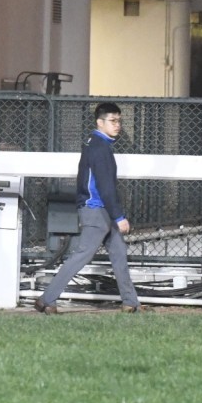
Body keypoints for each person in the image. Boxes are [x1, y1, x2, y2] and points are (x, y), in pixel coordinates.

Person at [35, 102, 141, 314]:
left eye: (119, 120)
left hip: (100, 209)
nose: (117, 125)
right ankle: (46, 299)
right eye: (113, 121)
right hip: (96, 210)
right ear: (99, 122)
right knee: (82, 255)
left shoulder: (96, 143)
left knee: (118, 253)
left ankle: (131, 302)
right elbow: (105, 187)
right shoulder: (100, 148)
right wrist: (119, 216)